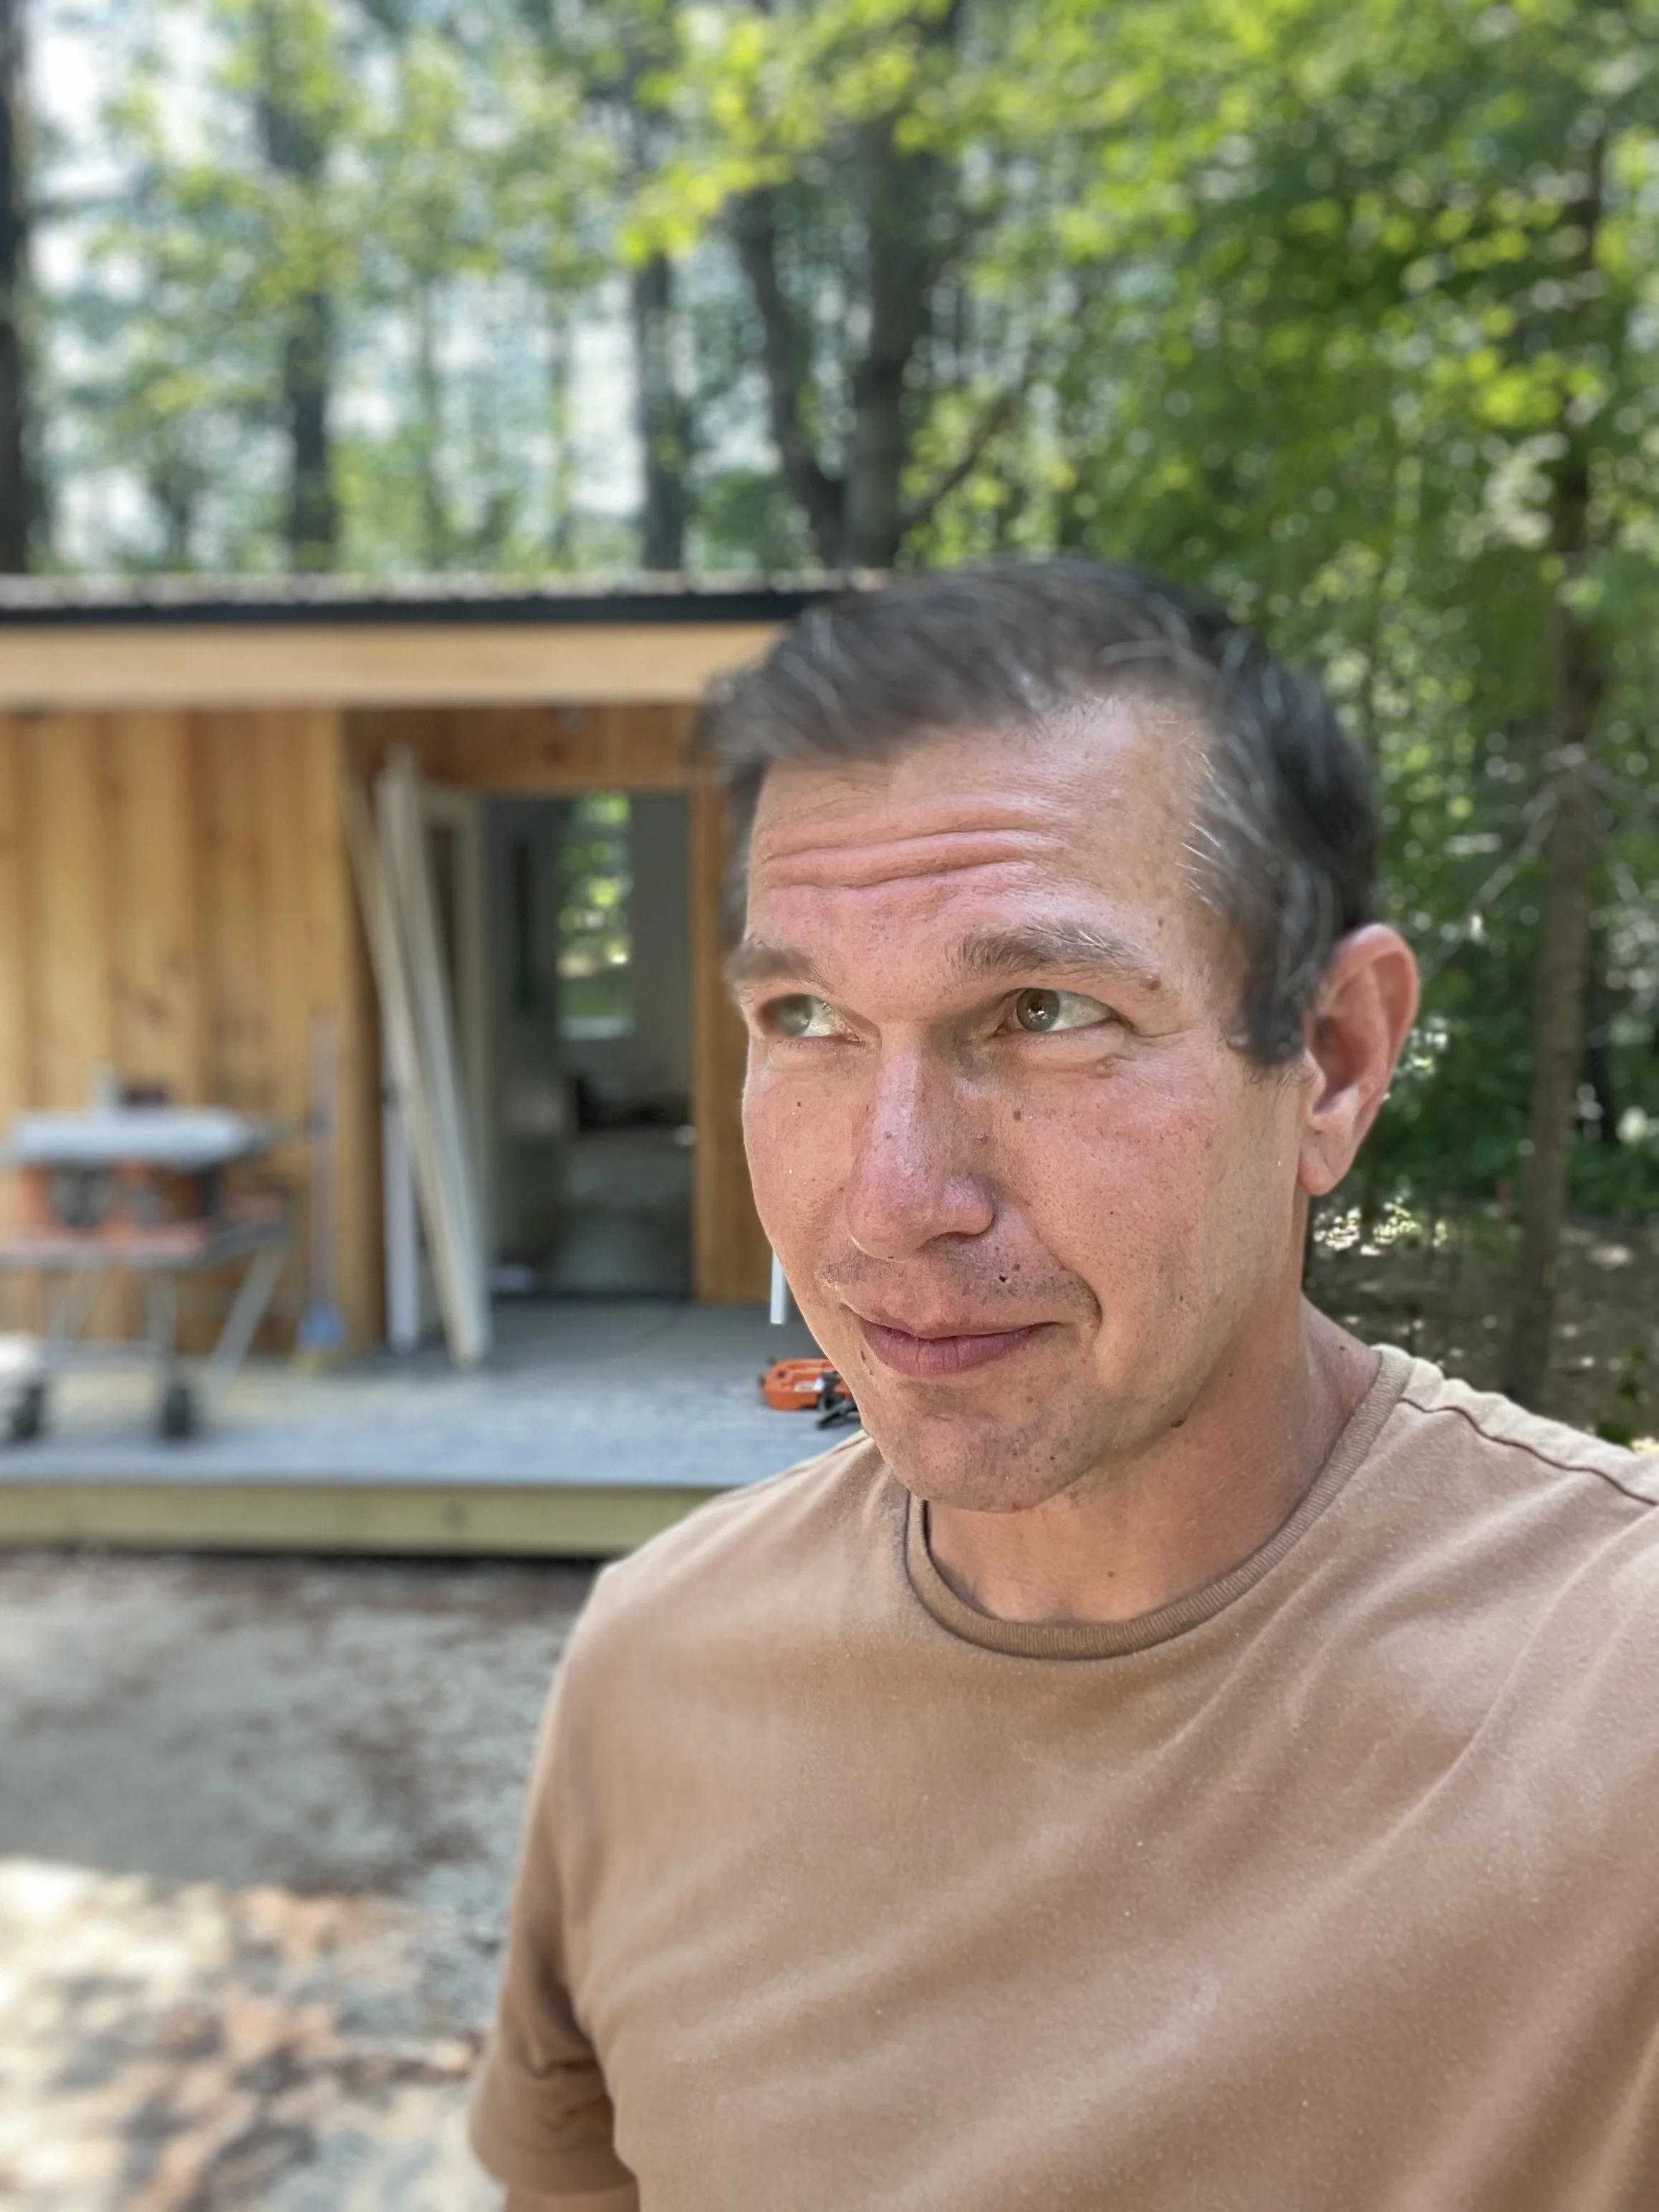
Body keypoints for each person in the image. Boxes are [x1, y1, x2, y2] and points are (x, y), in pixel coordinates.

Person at [471, 562, 1659, 2212]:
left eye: (1043, 1012)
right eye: (805, 1015)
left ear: (1330, 1057)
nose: (890, 1197)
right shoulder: (654, 1669)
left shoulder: (1616, 1716)